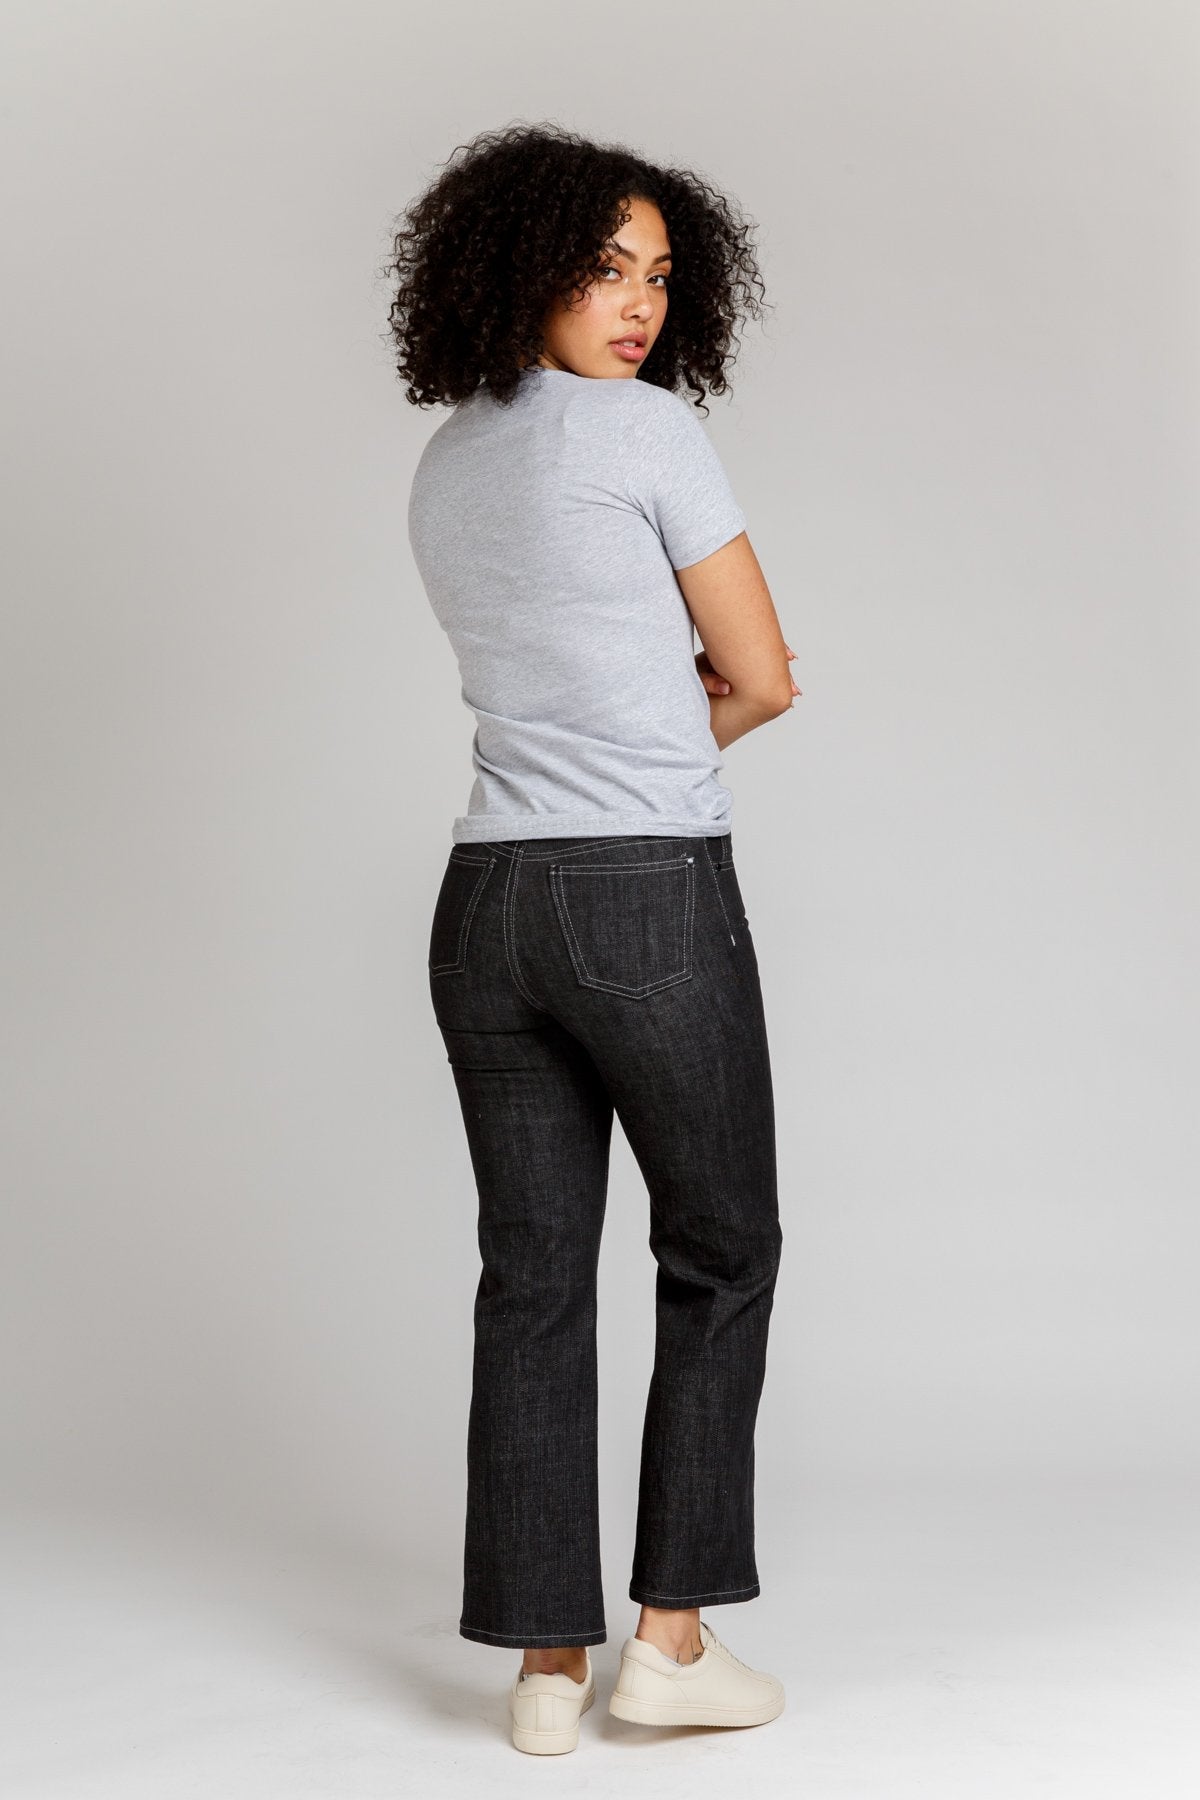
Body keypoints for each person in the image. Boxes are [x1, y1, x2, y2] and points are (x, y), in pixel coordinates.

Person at [387, 121, 801, 1755]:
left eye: (660, 277)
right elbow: (760, 676)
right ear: (522, 271)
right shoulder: (644, 431)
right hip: (640, 891)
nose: (638, 305)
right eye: (604, 268)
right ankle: (672, 1644)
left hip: (484, 904)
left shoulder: (447, 460)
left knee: (534, 1278)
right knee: (721, 1249)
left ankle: (545, 1670)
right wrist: (675, 737)